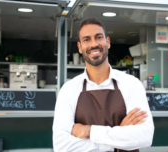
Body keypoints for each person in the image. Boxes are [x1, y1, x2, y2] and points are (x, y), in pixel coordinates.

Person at [53, 17, 154, 152]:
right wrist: (118, 138)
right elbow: (62, 146)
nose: (94, 44)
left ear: (107, 42)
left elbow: (145, 136)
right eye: (86, 39)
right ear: (80, 47)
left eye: (99, 37)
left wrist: (89, 131)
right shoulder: (68, 90)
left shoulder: (131, 84)